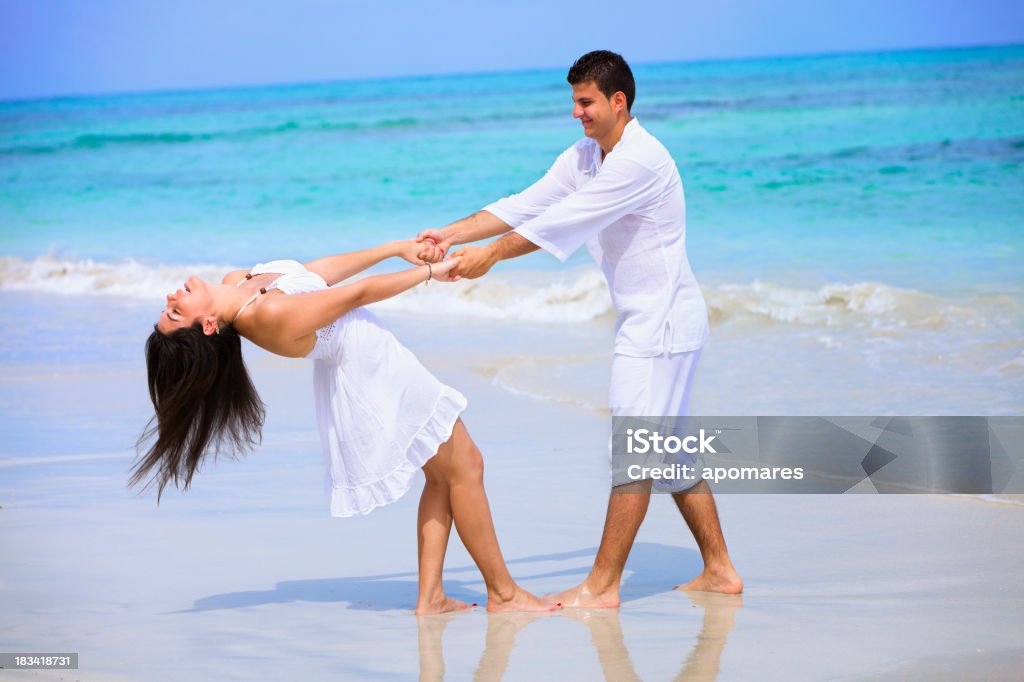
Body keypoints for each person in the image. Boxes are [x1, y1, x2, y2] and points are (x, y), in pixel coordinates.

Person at [417, 50, 743, 606]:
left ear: (619, 102)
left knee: (635, 453)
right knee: (670, 453)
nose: (577, 112)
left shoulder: (640, 161)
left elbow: (561, 222)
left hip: (661, 328)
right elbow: (526, 204)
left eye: (585, 101)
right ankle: (719, 569)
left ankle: (603, 585)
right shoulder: (588, 155)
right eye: (574, 101)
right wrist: (449, 234)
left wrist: (488, 258)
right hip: (650, 322)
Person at [131, 239, 556, 614]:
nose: (172, 295)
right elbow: (358, 294)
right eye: (174, 311)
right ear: (207, 326)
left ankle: (431, 599)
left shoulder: (237, 281)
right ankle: (503, 593)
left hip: (379, 358)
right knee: (466, 467)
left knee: (444, 476)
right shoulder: (268, 314)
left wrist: (395, 247)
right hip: (374, 373)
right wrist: (430, 271)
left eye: (168, 307)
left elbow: (315, 274)